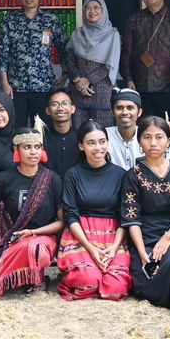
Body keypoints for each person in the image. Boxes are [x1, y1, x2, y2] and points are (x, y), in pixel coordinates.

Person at [57, 121, 131, 301]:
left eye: (102, 141)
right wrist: (89, 247)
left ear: (108, 143)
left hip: (113, 235)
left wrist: (114, 248)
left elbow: (124, 215)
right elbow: (71, 215)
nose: (98, 147)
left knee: (116, 288)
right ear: (81, 146)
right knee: (86, 280)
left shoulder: (121, 174)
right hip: (80, 234)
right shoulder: (73, 174)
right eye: (91, 143)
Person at [0, 125, 64, 297]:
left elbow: (61, 222)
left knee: (34, 247)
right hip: (12, 239)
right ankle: (24, 276)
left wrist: (32, 232)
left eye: (37, 147)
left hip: (44, 239)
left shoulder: (52, 180)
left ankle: (36, 279)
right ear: (17, 150)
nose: (33, 152)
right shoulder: (4, 179)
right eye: (27, 147)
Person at [122, 116, 170, 307]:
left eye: (159, 137)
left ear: (169, 141)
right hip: (144, 236)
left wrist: (168, 238)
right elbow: (131, 217)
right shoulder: (133, 175)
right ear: (139, 141)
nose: (153, 143)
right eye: (147, 137)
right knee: (144, 277)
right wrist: (142, 252)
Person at [0, 0, 67, 128]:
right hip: (16, 87)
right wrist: (4, 82)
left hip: (43, 86)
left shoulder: (50, 20)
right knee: (17, 130)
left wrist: (65, 74)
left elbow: (65, 49)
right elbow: (3, 54)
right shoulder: (10, 21)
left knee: (42, 130)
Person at [122, 0, 170, 117]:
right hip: (139, 87)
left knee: (166, 131)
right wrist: (128, 80)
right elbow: (126, 54)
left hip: (168, 88)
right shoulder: (134, 19)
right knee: (142, 131)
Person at [64, 0, 120, 126]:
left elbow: (110, 65)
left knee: (102, 135)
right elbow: (70, 61)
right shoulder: (77, 34)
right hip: (77, 92)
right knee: (79, 134)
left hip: (101, 93)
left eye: (96, 7)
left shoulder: (112, 34)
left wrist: (88, 81)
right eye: (87, 8)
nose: (92, 11)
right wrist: (78, 80)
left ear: (103, 10)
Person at [105, 89, 146, 173]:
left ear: (139, 112)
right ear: (112, 112)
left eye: (130, 108)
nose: (124, 112)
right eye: (119, 108)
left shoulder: (148, 136)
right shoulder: (104, 136)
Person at [42, 89, 82, 175]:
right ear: (48, 111)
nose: (60, 108)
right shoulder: (41, 139)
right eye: (54, 104)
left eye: (64, 103)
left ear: (73, 109)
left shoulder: (81, 137)